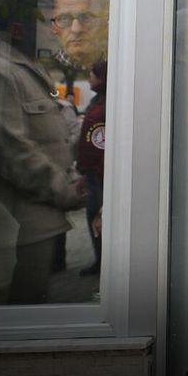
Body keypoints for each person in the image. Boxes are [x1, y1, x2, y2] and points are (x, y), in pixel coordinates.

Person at [0, 0, 87, 304]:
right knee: (15, 310)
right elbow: (14, 155)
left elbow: (48, 138)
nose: (57, 30)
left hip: (34, 223)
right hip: (14, 229)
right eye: (51, 22)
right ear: (18, 29)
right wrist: (66, 191)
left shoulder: (26, 69)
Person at [77, 60, 107, 277]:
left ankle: (105, 263)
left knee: (99, 218)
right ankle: (100, 260)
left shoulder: (108, 105)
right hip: (92, 172)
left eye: (93, 75)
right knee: (92, 216)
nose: (89, 78)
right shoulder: (97, 101)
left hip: (100, 173)